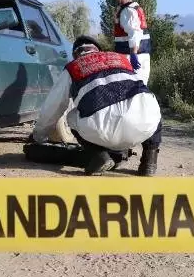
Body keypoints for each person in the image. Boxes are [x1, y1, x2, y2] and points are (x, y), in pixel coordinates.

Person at [31, 35, 162, 176]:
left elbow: (53, 107)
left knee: (71, 116)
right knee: (149, 103)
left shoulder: (73, 67)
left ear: (76, 55)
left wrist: (38, 136)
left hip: (101, 131)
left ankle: (99, 156)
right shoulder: (122, 59)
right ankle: (149, 161)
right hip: (142, 127)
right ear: (98, 51)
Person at [106, 0, 152, 85]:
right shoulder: (131, 8)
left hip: (132, 56)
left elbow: (134, 33)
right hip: (138, 55)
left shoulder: (127, 11)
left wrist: (133, 55)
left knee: (134, 90)